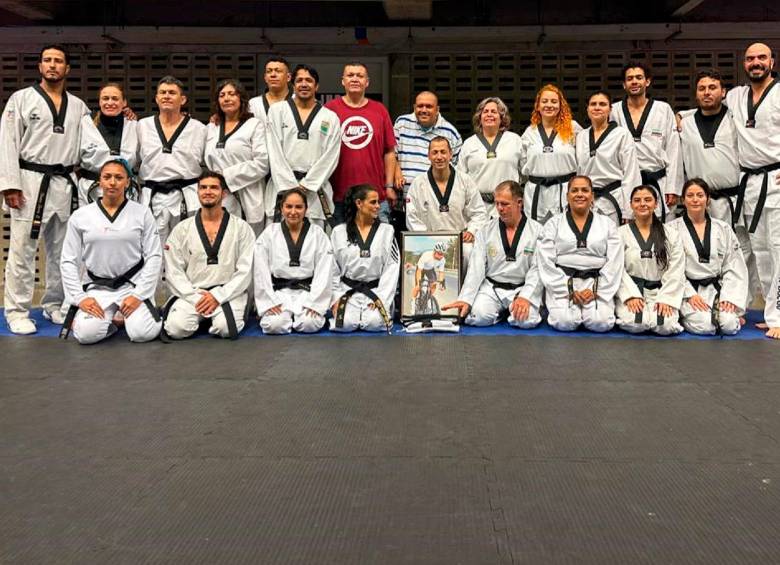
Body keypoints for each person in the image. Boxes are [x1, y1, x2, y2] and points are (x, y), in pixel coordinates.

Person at [0, 44, 90, 334]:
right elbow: (7, 142)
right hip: (29, 182)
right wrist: (10, 185)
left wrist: (123, 117)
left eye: (59, 61)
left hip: (65, 183)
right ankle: (17, 311)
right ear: (39, 67)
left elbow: (93, 140)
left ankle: (56, 305)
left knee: (63, 251)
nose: (53, 65)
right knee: (22, 250)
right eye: (47, 60)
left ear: (67, 69)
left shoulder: (78, 106)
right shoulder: (21, 99)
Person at [678, 68, 760, 308]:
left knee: (742, 252)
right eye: (702, 88)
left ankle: (738, 302)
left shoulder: (736, 118)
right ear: (696, 94)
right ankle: (702, 301)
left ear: (723, 92)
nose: (707, 92)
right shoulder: (685, 121)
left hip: (732, 196)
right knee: (699, 250)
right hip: (699, 200)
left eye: (712, 88)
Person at [59, 159, 162, 344]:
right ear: (100, 181)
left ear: (127, 182)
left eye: (118, 177)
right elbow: (68, 260)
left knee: (141, 334)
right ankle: (111, 324)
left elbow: (154, 256)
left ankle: (136, 317)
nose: (112, 182)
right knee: (85, 335)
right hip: (97, 287)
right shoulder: (81, 216)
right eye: (107, 177)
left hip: (132, 285)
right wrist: (80, 298)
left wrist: (139, 295)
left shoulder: (142, 213)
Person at [726, 42, 780, 339]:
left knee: (779, 249)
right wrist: (680, 117)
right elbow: (707, 105)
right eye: (750, 58)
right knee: (761, 253)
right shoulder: (736, 96)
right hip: (750, 184)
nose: (755, 62)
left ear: (772, 61)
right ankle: (772, 313)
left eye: (761, 57)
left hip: (776, 179)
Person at [162, 171, 256, 340]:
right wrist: (195, 297)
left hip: (227, 293)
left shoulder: (241, 228)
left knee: (225, 328)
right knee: (176, 329)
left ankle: (214, 316)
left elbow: (245, 270)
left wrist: (218, 296)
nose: (208, 191)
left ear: (224, 193)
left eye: (214, 187)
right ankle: (204, 314)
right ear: (197, 192)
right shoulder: (182, 229)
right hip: (194, 293)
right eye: (203, 188)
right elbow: (174, 271)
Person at [443, 180, 544, 328]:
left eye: (505, 204)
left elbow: (537, 269)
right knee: (477, 317)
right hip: (492, 288)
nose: (499, 209)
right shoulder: (486, 230)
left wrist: (525, 297)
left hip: (520, 288)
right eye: (497, 204)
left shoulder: (537, 231)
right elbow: (476, 268)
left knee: (525, 321)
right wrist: (466, 299)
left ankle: (511, 310)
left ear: (519, 202)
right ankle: (502, 313)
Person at [537, 175, 623, 332]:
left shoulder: (607, 224)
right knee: (565, 323)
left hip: (596, 281)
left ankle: (591, 307)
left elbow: (615, 262)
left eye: (585, 190)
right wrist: (567, 289)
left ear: (592, 196)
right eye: (574, 190)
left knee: (601, 323)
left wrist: (598, 290)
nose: (579, 194)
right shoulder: (553, 224)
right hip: (564, 280)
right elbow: (545, 261)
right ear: (567, 196)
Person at [669, 179, 748, 335]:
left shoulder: (723, 228)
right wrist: (689, 294)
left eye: (700, 195)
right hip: (688, 290)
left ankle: (729, 316)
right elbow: (671, 269)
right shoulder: (672, 229)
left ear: (708, 199)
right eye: (690, 195)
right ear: (683, 200)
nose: (695, 199)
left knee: (729, 326)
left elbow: (734, 265)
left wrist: (729, 297)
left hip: (717, 288)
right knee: (705, 326)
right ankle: (684, 315)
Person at [267, 64, 341, 228]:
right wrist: (289, 186)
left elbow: (331, 156)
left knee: (315, 244)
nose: (304, 84)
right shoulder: (277, 111)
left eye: (309, 80)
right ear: (293, 85)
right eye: (299, 80)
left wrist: (307, 185)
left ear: (316, 86)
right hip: (282, 187)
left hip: (315, 190)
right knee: (279, 242)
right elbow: (273, 151)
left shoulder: (330, 117)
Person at [325, 62, 398, 223]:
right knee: (341, 246)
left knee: (379, 245)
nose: (355, 79)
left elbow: (389, 151)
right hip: (339, 197)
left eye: (360, 75)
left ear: (367, 82)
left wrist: (389, 186)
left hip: (375, 195)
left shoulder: (380, 110)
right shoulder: (329, 110)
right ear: (343, 81)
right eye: (350, 75)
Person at [254, 188, 334, 334]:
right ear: (281, 208)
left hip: (308, 292)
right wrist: (268, 301)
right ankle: (286, 319)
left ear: (306, 209)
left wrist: (315, 303)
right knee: (274, 325)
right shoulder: (269, 233)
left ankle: (295, 319)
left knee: (309, 324)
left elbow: (325, 271)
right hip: (279, 292)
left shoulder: (318, 234)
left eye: (298, 207)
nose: (293, 211)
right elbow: (260, 270)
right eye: (289, 206)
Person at [137, 76, 206, 243]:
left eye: (172, 93)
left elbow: (209, 163)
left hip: (187, 195)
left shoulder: (199, 128)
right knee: (152, 247)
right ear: (156, 98)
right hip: (151, 195)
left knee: (187, 247)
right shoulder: (141, 126)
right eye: (162, 92)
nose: (166, 96)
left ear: (182, 99)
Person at [610, 61, 682, 221]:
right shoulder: (613, 111)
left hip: (658, 182)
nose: (634, 81)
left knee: (663, 235)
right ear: (624, 84)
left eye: (639, 77)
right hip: (626, 185)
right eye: (629, 79)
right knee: (629, 237)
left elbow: (674, 149)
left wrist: (673, 187)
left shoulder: (663, 109)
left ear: (647, 81)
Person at [405, 136, 487, 268]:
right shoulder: (418, 183)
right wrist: (426, 238)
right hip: (429, 239)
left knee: (469, 252)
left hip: (459, 239)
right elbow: (411, 216)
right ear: (428, 156)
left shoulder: (465, 181)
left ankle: (466, 288)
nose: (439, 157)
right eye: (435, 152)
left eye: (443, 152)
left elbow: (478, 212)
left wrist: (471, 231)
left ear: (451, 154)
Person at [616, 185, 685, 335]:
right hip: (633, 290)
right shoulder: (620, 234)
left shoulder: (671, 234)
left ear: (656, 204)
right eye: (637, 200)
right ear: (631, 205)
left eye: (648, 200)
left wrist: (667, 298)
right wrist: (630, 296)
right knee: (636, 323)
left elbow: (676, 269)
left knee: (664, 326)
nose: (642, 204)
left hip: (660, 291)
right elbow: (616, 268)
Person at [330, 184, 399, 332]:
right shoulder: (339, 232)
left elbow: (392, 268)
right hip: (348, 290)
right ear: (359, 203)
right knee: (345, 325)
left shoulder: (387, 231)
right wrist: (335, 297)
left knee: (374, 323)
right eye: (373, 202)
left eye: (378, 202)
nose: (378, 206)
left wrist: (382, 297)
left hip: (376, 290)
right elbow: (332, 268)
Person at [204, 79, 268, 236]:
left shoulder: (254, 125)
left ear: (241, 99)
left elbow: (262, 163)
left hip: (248, 193)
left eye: (232, 94)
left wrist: (226, 176)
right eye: (222, 95)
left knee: (250, 244)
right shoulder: (212, 127)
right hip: (219, 195)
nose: (226, 98)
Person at [576, 90, 641, 225]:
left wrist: (629, 210)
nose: (597, 107)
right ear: (587, 109)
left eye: (602, 104)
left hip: (614, 198)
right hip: (588, 200)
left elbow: (631, 173)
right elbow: (579, 172)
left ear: (610, 109)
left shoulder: (621, 135)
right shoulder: (581, 136)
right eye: (593, 104)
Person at [521, 85, 582, 223]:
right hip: (536, 192)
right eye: (545, 101)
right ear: (537, 106)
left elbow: (583, 159)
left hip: (565, 189)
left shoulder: (573, 128)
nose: (549, 105)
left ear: (561, 106)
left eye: (554, 102)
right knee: (536, 235)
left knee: (565, 233)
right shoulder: (530, 132)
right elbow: (522, 163)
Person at [78, 83, 139, 206]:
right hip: (92, 188)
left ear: (124, 102)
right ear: (99, 102)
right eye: (105, 98)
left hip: (125, 189)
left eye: (115, 99)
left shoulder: (133, 124)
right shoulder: (85, 123)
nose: (110, 103)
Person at [394, 90, 463, 195]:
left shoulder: (450, 132)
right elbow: (391, 154)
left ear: (437, 110)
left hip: (435, 199)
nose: (424, 110)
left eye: (429, 106)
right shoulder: (402, 124)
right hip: (402, 197)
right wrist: (397, 172)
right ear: (414, 107)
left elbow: (456, 167)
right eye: (420, 106)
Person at [457, 97, 524, 204]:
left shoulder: (514, 140)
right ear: (479, 117)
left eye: (494, 112)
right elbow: (460, 177)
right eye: (485, 112)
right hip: (477, 203)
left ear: (502, 117)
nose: (489, 114)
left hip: (508, 203)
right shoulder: (469, 144)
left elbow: (525, 172)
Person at [248, 57, 292, 121]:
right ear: (265, 77)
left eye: (278, 71)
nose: (273, 75)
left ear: (288, 77)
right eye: (269, 71)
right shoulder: (254, 104)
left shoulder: (297, 101)